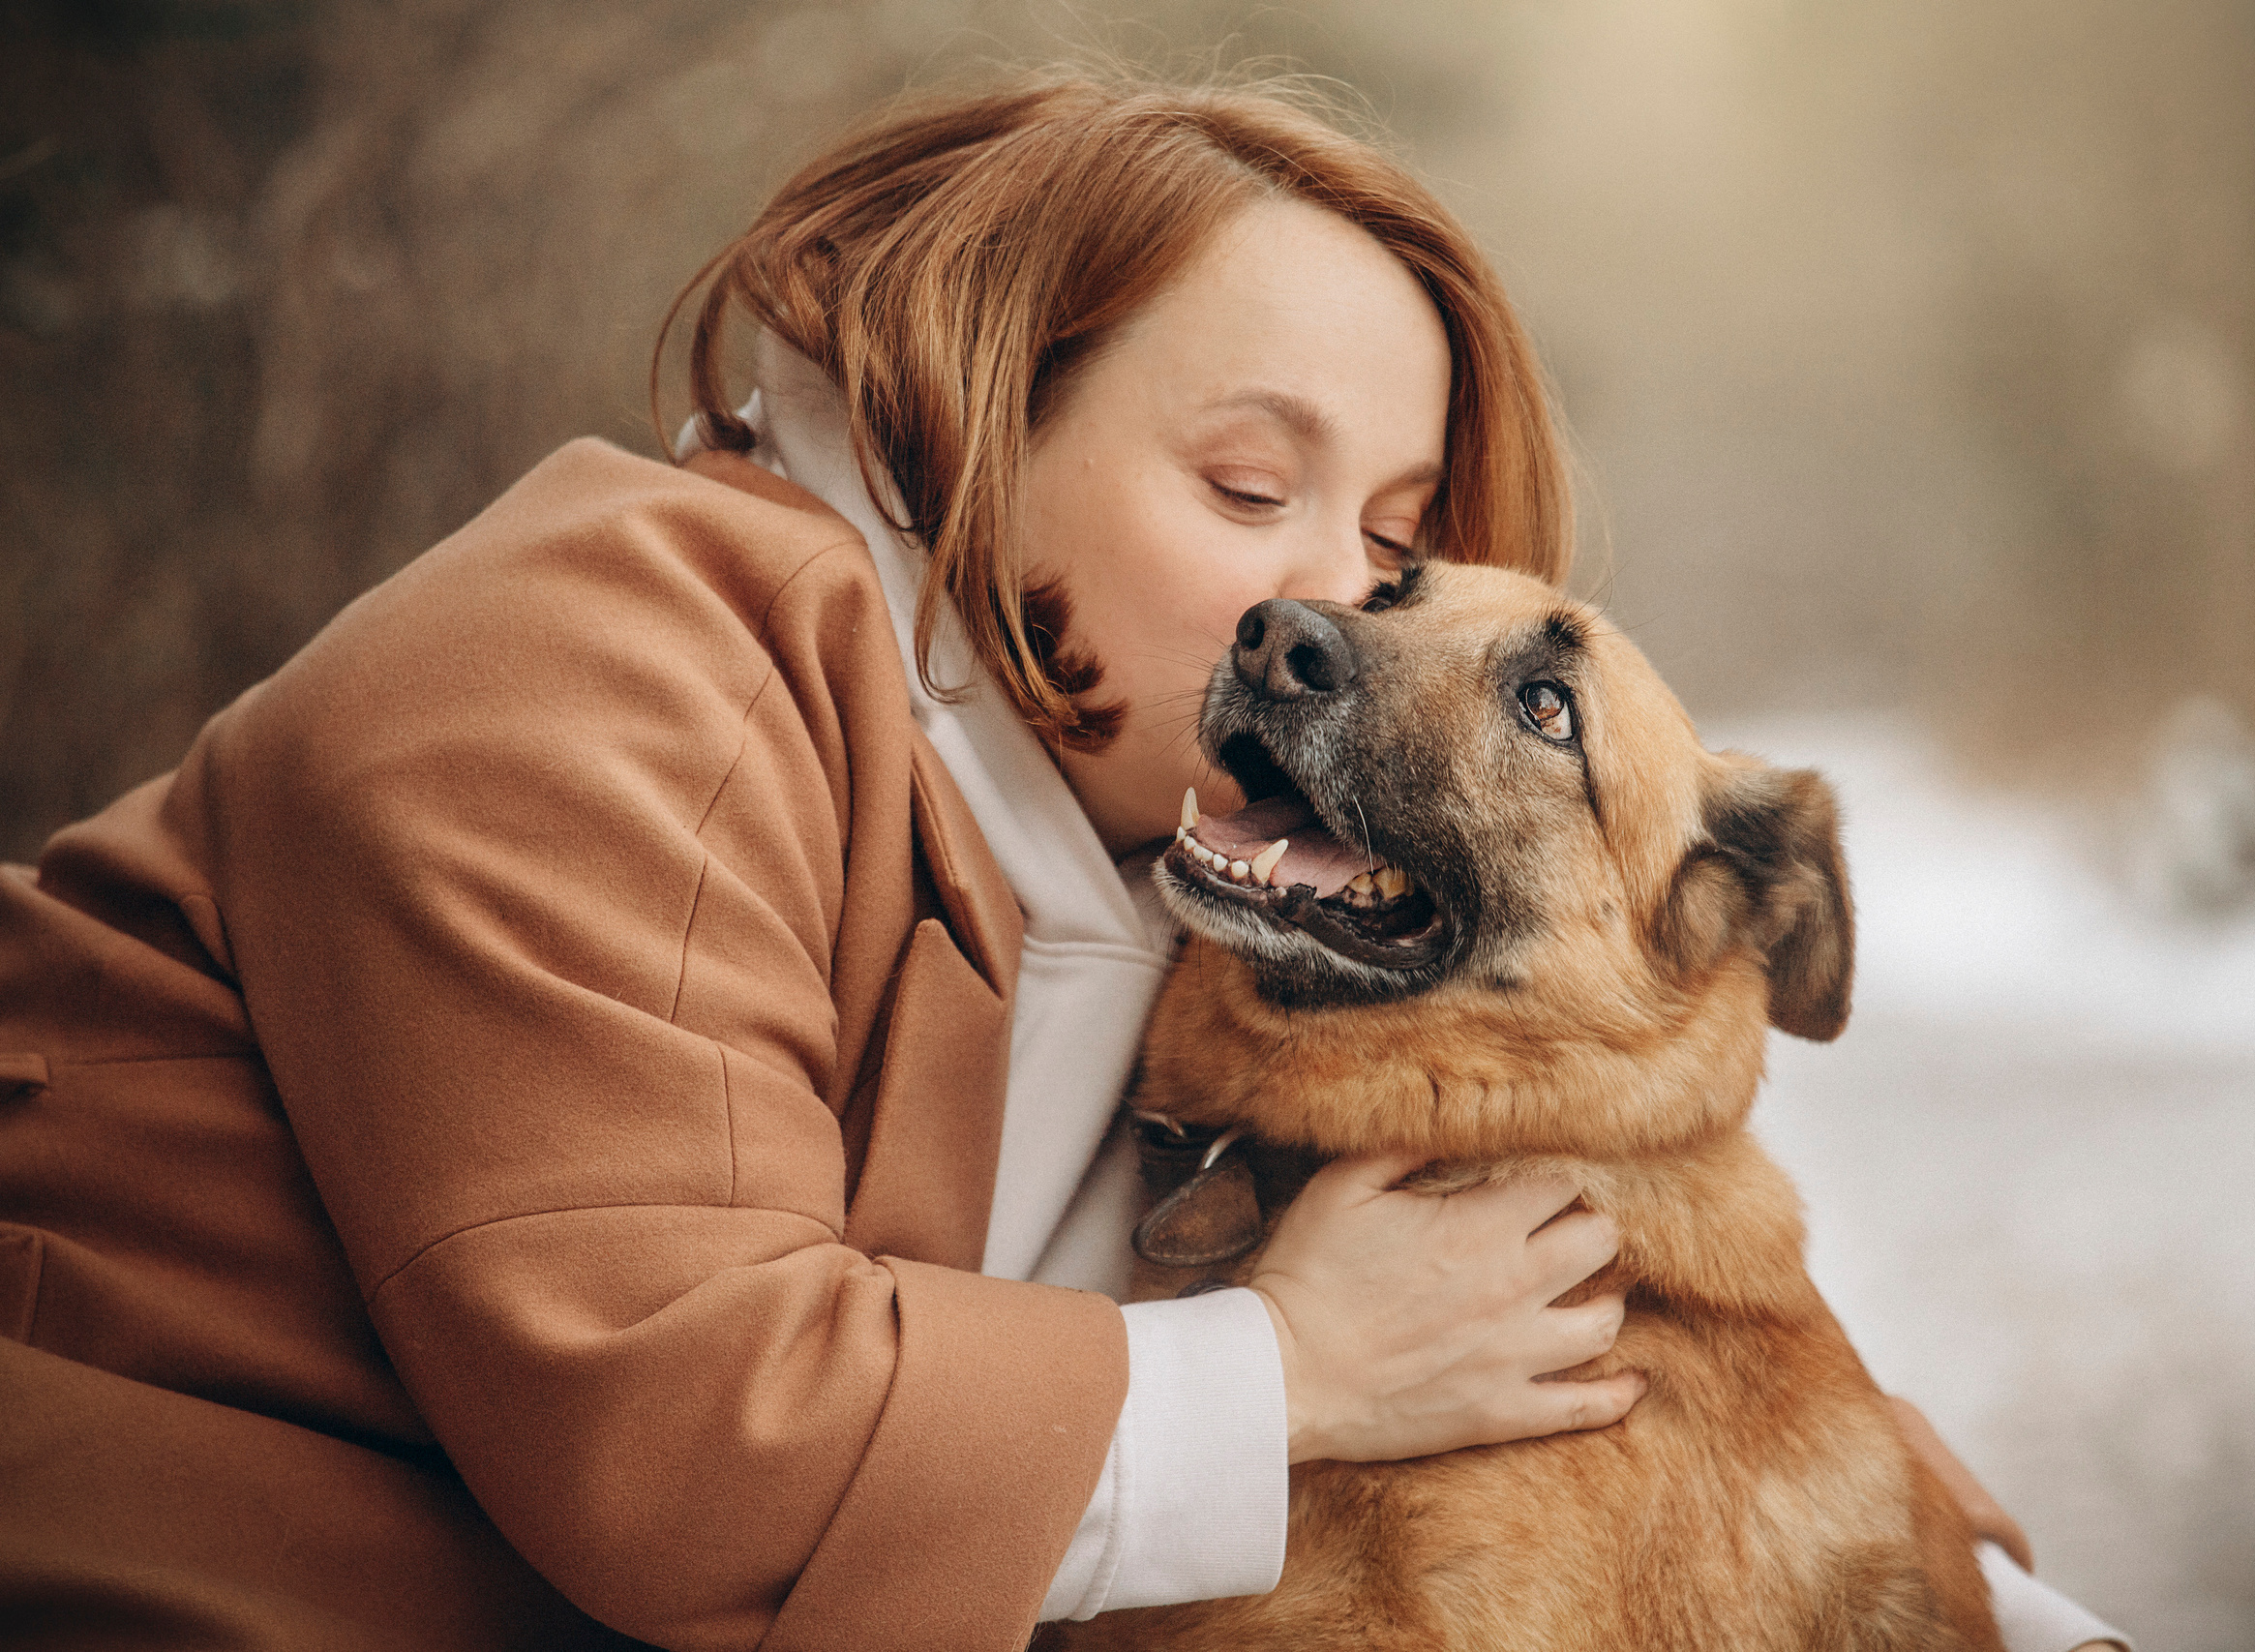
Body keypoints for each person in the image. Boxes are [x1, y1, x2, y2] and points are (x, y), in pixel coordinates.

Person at [0, 70, 2125, 1652]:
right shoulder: (597, 665)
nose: (1322, 612)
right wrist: (1288, 1368)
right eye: (1237, 482)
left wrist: (1864, 1518)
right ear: (974, 416)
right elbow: (684, 1445)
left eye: (1387, 550)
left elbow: (1554, 1330)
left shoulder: (1124, 850)